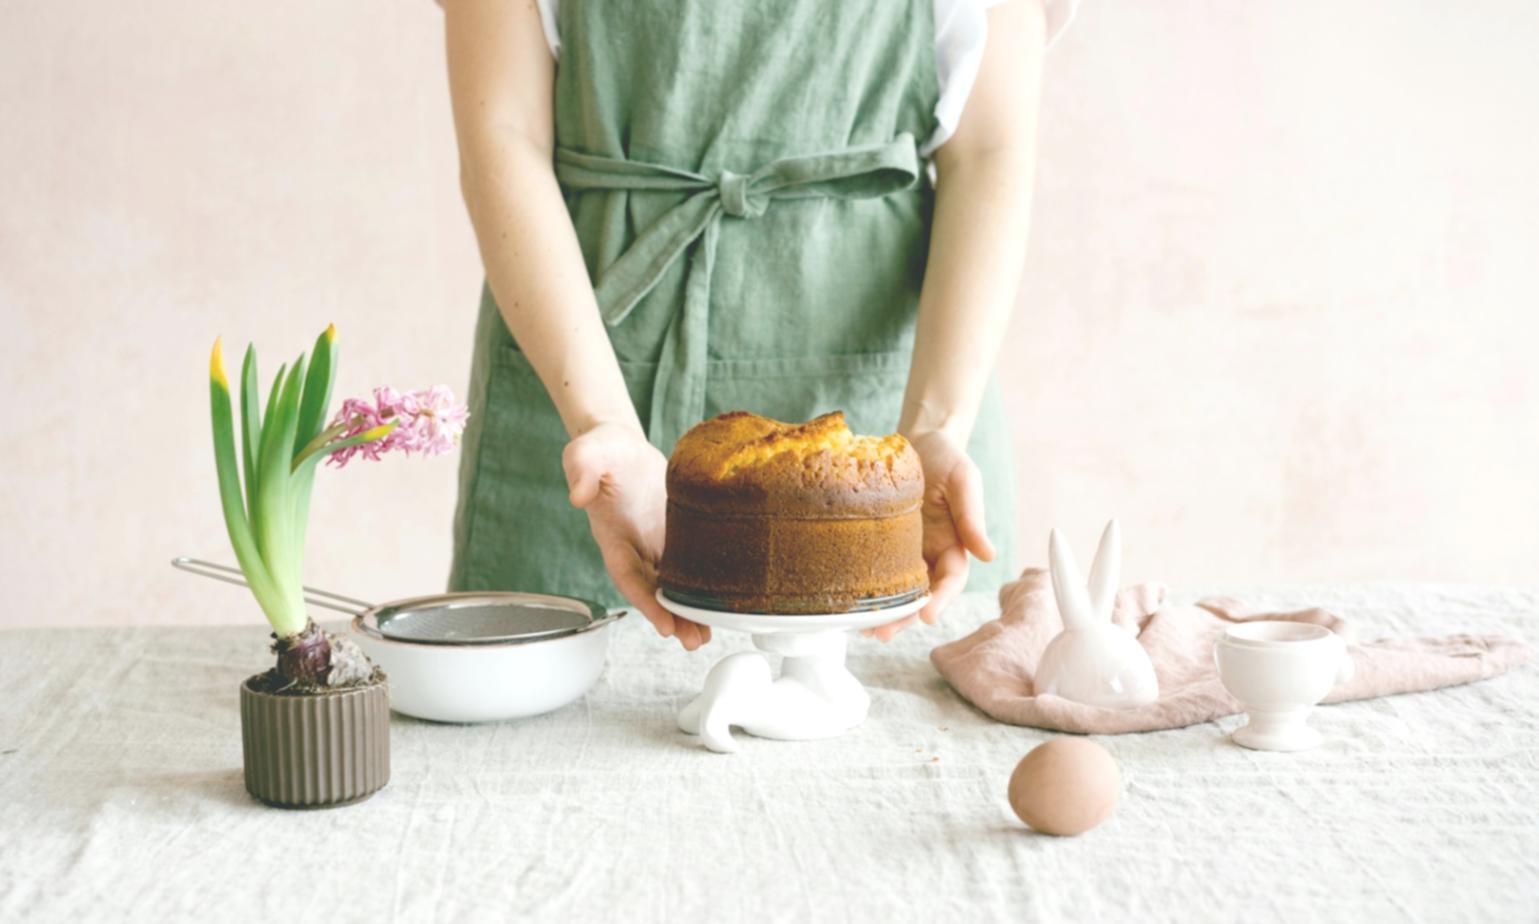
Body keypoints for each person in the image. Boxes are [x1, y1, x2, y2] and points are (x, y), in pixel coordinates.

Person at [443, 0, 1074, 649]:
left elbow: (988, 150)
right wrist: (601, 421)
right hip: (581, 385)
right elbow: (505, 135)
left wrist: (935, 429)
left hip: (903, 405)